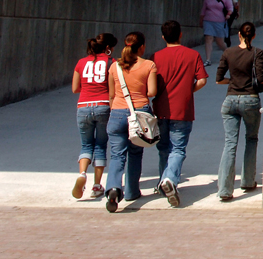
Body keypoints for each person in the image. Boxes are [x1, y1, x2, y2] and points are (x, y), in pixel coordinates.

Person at [152, 20, 208, 208]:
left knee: (163, 148)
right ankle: (170, 180)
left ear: (163, 36)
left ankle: (163, 182)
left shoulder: (156, 57)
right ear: (181, 34)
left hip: (161, 109)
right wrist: (188, 89)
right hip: (182, 109)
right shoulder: (193, 55)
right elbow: (202, 80)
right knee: (178, 149)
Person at [104, 32, 158, 212]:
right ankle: (132, 191)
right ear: (142, 47)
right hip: (140, 113)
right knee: (135, 153)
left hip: (117, 112)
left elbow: (111, 94)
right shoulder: (149, 65)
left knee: (117, 154)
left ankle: (113, 188)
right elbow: (151, 92)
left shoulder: (115, 66)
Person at [215, 22, 263, 202]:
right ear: (254, 35)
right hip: (250, 99)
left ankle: (225, 190)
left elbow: (218, 79)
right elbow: (260, 78)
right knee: (251, 139)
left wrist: (233, 80)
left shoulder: (228, 52)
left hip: (230, 100)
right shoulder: (257, 52)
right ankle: (248, 180)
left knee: (230, 143)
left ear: (239, 35)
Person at [71, 33, 117, 200]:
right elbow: (115, 88)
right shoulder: (112, 63)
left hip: (83, 107)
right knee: (100, 145)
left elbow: (75, 88)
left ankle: (82, 174)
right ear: (108, 48)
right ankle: (97, 185)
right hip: (103, 106)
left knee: (86, 145)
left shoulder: (81, 63)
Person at [199, 0, 233, 66]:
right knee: (208, 38)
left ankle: (229, 54)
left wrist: (228, 15)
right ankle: (208, 59)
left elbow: (230, 8)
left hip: (220, 21)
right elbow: (203, 10)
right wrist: (201, 20)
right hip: (208, 21)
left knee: (220, 42)